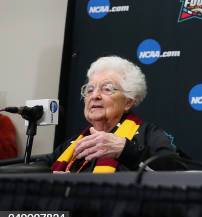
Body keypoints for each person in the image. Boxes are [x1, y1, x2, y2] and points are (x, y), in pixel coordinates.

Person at [45, 56, 185, 172]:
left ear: (128, 102)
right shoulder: (74, 143)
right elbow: (41, 167)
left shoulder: (148, 135)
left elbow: (176, 170)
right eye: (89, 89)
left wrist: (126, 150)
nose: (95, 96)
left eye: (107, 89)